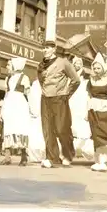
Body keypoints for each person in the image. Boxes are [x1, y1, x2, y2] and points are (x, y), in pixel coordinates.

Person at [37, 40, 80, 168]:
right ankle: (52, 158)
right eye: (44, 48)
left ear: (54, 49)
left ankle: (68, 154)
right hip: (45, 98)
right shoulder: (40, 65)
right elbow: (41, 81)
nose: (45, 50)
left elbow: (76, 80)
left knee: (62, 128)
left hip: (60, 98)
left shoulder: (63, 62)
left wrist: (66, 94)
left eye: (48, 47)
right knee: (47, 129)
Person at [0, 58, 31, 166]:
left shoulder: (24, 77)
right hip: (9, 104)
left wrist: (31, 107)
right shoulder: (7, 78)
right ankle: (7, 157)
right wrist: (2, 109)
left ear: (15, 66)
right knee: (8, 129)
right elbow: (6, 93)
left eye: (9, 65)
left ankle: (24, 157)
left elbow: (28, 93)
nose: (7, 67)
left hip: (20, 105)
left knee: (20, 129)